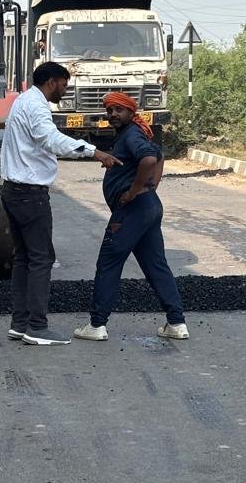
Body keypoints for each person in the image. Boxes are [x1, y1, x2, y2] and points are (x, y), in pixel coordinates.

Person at [1, 61, 118, 345]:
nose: (65, 92)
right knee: (42, 259)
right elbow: (50, 139)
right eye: (64, 86)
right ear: (51, 82)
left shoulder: (22, 101)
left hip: (13, 191)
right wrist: (95, 152)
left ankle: (20, 323)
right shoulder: (37, 105)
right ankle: (37, 327)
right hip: (30, 193)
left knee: (24, 258)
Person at [74, 93, 188, 342]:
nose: (113, 115)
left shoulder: (133, 134)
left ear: (130, 112)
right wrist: (151, 187)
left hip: (132, 211)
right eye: (110, 110)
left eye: (119, 110)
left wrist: (135, 190)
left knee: (109, 263)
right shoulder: (134, 133)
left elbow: (149, 158)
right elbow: (158, 155)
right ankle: (176, 323)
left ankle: (97, 325)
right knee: (156, 265)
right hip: (148, 208)